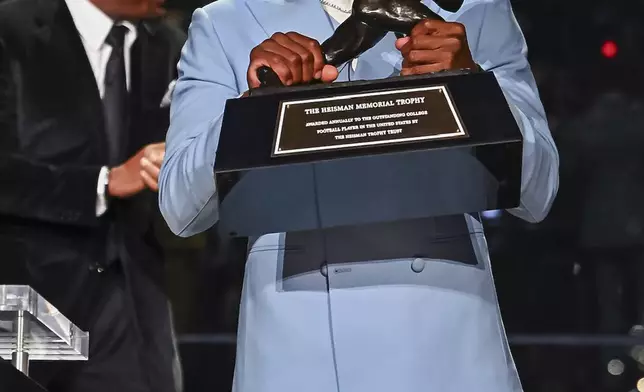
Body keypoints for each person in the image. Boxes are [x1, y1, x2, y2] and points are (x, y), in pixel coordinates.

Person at [159, 0, 559, 390]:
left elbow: (537, 194)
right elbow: (182, 209)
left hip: (445, 340)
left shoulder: (475, 11)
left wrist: (473, 87)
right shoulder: (228, 22)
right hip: (300, 347)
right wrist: (254, 107)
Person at [0, 0, 184, 391]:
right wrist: (104, 182)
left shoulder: (170, 44)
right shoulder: (8, 29)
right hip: (24, 293)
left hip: (132, 295)